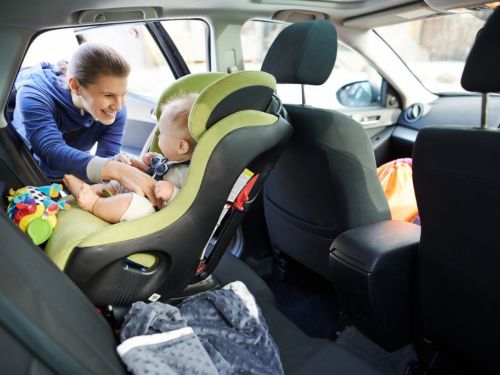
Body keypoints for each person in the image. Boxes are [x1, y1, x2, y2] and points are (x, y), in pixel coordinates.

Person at [12, 42, 157, 203]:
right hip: (26, 171)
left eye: (123, 94)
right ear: (75, 86)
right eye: (108, 95)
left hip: (72, 173)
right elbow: (50, 149)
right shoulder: (34, 94)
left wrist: (119, 163)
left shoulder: (116, 109)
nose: (118, 106)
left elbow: (106, 157)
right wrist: (115, 169)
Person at [63, 93, 198, 223]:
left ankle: (94, 203)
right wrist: (155, 160)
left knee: (131, 202)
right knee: (121, 181)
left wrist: (172, 193)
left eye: (161, 133)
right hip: (143, 191)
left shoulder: (186, 173)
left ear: (181, 146)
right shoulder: (172, 159)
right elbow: (163, 170)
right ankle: (94, 190)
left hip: (153, 210)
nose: (157, 137)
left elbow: (188, 204)